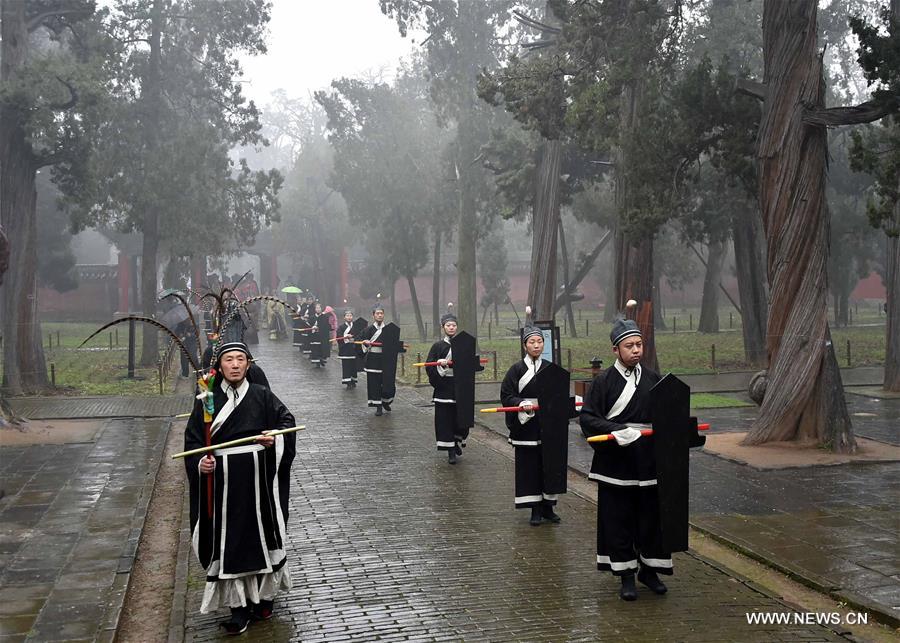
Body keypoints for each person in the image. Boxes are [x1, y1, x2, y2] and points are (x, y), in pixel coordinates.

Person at [184, 341, 296, 633]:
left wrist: (274, 438)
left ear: (249, 364)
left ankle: (264, 598)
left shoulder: (261, 395)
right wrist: (200, 463)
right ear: (219, 366)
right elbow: (193, 441)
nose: (234, 365)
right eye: (229, 360)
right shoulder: (205, 401)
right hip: (224, 487)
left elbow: (287, 423)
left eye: (240, 360)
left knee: (262, 536)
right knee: (231, 542)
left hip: (258, 482)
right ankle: (238, 607)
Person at [579, 318, 670, 601]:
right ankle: (626, 574)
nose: (636, 350)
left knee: (651, 518)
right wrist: (617, 430)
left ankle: (649, 569)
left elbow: (667, 416)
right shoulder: (603, 382)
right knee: (618, 519)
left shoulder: (654, 379)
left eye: (639, 345)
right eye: (629, 346)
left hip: (648, 461)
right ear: (615, 350)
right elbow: (588, 418)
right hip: (616, 462)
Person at [499, 326, 564, 526]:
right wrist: (520, 404)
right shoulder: (516, 370)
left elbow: (558, 395)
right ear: (525, 345)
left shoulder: (550, 368)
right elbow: (506, 395)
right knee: (529, 467)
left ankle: (548, 506)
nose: (536, 345)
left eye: (539, 342)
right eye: (532, 342)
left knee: (549, 465)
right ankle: (534, 508)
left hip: (547, 425)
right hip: (526, 423)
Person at [425, 313, 467, 464]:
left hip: (460, 386)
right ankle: (450, 451)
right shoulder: (437, 346)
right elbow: (428, 365)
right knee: (445, 420)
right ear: (443, 327)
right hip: (444, 387)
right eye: (448, 325)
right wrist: (438, 365)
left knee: (460, 419)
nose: (451, 327)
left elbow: (471, 363)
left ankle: (457, 441)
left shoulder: (463, 343)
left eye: (454, 325)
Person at [357, 304, 397, 416]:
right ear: (373, 315)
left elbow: (395, 345)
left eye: (381, 313)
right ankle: (378, 405)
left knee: (387, 383)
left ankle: (386, 401)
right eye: (377, 313)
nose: (379, 315)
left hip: (385, 360)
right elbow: (358, 341)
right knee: (374, 383)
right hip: (373, 360)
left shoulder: (389, 330)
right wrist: (365, 343)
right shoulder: (368, 330)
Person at [335, 309, 360, 388]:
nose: (349, 317)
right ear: (344, 317)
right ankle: (347, 381)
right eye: (347, 316)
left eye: (350, 316)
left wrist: (354, 339)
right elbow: (338, 336)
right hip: (345, 349)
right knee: (346, 366)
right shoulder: (341, 327)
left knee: (354, 366)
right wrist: (345, 337)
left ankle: (353, 380)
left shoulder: (356, 326)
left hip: (353, 349)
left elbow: (359, 335)